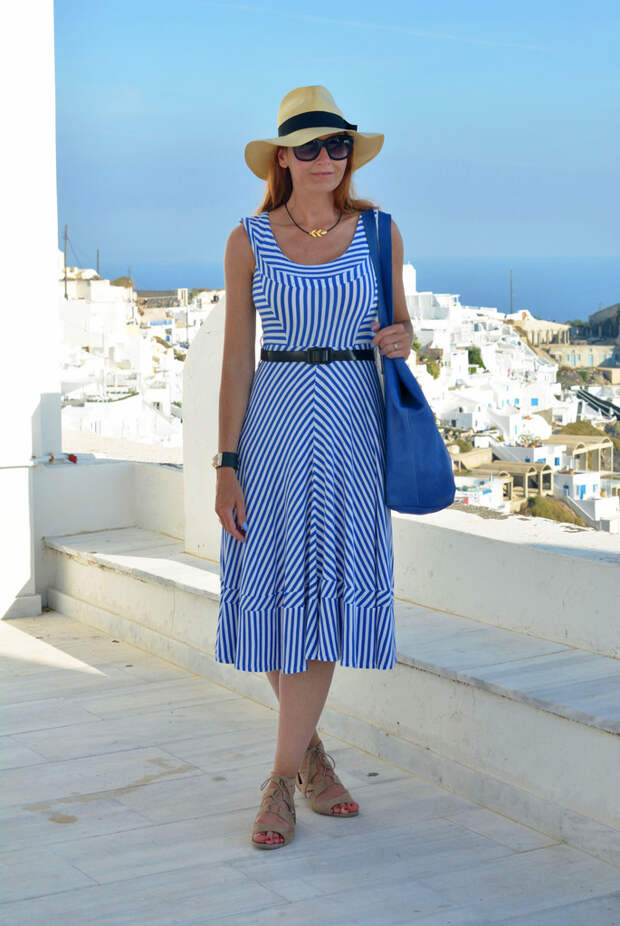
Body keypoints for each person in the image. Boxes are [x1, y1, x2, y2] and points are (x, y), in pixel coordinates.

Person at [212, 85, 413, 850]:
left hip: (355, 432)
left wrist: (399, 339)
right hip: (274, 430)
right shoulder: (248, 239)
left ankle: (278, 779)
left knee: (327, 592)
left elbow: (400, 329)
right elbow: (236, 360)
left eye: (339, 146)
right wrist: (225, 464)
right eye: (311, 147)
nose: (326, 159)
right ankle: (310, 758)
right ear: (283, 157)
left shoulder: (380, 232)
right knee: (270, 584)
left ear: (349, 155)